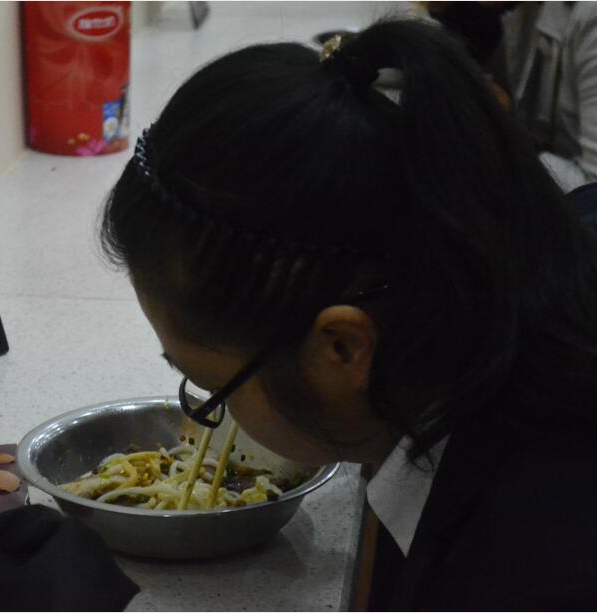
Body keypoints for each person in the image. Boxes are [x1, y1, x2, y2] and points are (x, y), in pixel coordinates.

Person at [99, 18, 597, 610]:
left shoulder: (522, 566)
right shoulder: (532, 261)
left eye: (211, 389)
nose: (215, 416)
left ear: (343, 348)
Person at [426, 1, 597, 192]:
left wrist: (503, 133)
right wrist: (455, 13)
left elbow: (592, 189)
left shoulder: (590, 15)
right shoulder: (520, 8)